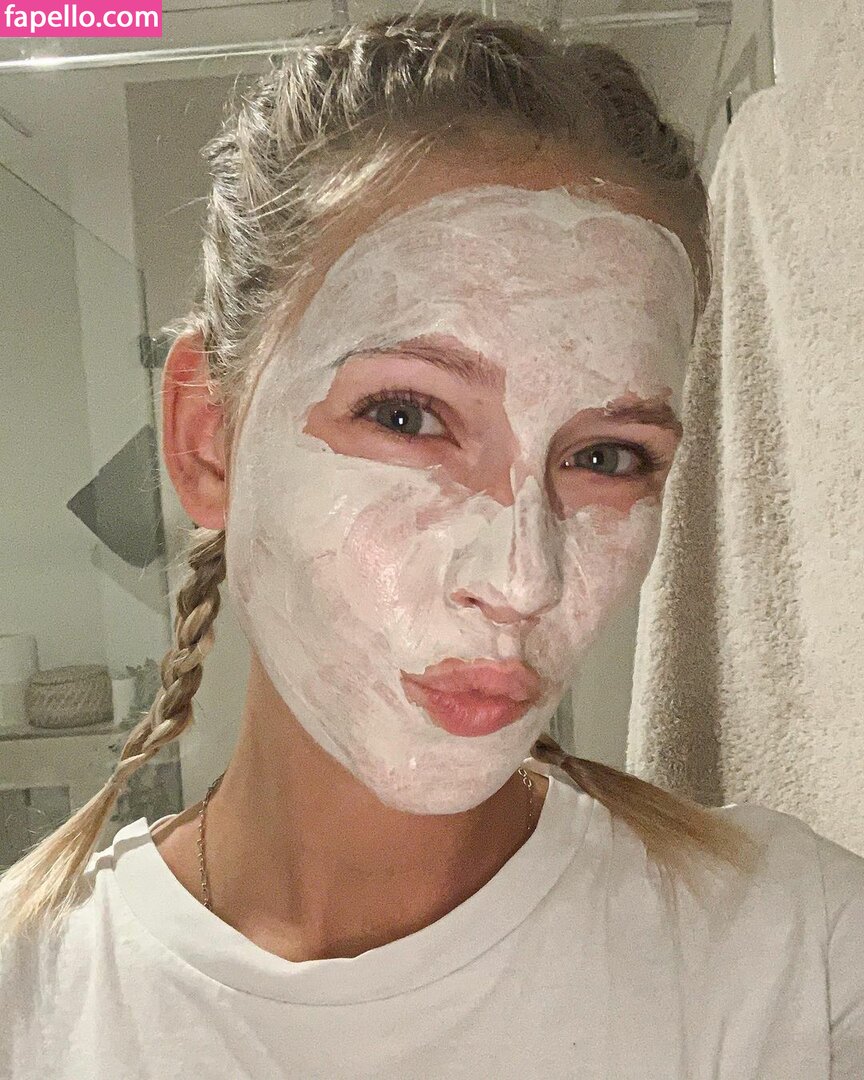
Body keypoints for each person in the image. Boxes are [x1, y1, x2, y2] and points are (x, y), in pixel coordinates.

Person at [1, 12, 862, 1078]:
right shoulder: (30, 1004)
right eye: (408, 416)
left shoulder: (800, 961)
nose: (524, 579)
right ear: (207, 440)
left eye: (606, 457)